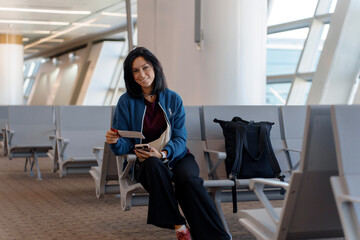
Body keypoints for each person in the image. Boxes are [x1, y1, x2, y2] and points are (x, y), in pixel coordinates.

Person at [105, 47, 230, 240]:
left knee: (189, 181)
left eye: (145, 68)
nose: (141, 74)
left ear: (155, 68)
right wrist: (115, 141)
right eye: (135, 71)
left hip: (176, 156)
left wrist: (163, 153)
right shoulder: (126, 102)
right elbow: (124, 145)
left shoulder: (173, 98)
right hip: (146, 162)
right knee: (154, 164)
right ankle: (179, 226)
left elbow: (180, 139)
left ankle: (217, 237)